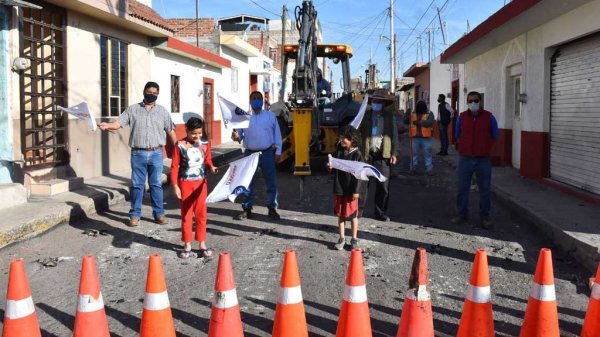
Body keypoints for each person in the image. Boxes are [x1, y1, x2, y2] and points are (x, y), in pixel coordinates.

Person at [99, 81, 177, 227]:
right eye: (149, 92)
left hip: (156, 153)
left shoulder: (162, 111)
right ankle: (135, 215)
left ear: (158, 95)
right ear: (144, 91)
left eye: (155, 93)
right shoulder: (132, 109)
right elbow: (118, 124)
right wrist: (107, 125)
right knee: (137, 185)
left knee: (156, 185)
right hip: (138, 154)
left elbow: (170, 130)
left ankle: (159, 214)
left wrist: (179, 149)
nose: (152, 95)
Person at [232, 91, 283, 221]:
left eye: (258, 98)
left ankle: (272, 208)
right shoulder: (244, 117)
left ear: (262, 101)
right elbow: (239, 136)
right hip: (250, 154)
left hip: (267, 153)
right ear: (250, 101)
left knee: (271, 182)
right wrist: (236, 136)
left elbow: (277, 135)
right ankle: (247, 209)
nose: (256, 100)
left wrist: (278, 152)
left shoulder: (270, 116)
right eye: (253, 98)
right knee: (248, 182)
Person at [451, 91, 499, 229]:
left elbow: (495, 134)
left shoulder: (489, 117)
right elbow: (457, 135)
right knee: (462, 188)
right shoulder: (462, 117)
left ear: (481, 101)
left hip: (483, 160)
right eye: (470, 101)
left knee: (485, 190)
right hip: (465, 159)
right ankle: (461, 214)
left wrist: (485, 147)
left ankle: (485, 217)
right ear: (467, 102)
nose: (473, 103)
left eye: (476, 100)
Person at [170, 117, 217, 259]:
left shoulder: (205, 143)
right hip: (185, 184)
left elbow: (208, 159)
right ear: (186, 130)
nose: (197, 136)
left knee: (202, 214)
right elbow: (174, 166)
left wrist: (211, 166)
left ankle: (202, 243)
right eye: (193, 134)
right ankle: (187, 244)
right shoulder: (180, 145)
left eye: (199, 133)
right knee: (187, 215)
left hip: (201, 184)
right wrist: (175, 185)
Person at [358, 89, 399, 221]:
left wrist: (394, 153)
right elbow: (356, 132)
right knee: (362, 186)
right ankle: (358, 211)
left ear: (383, 103)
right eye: (375, 101)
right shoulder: (364, 115)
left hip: (383, 156)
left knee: (383, 187)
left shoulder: (389, 117)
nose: (376, 103)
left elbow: (394, 136)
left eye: (379, 101)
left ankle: (380, 213)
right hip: (366, 155)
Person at [329, 125, 363, 250]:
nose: (342, 140)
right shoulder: (338, 152)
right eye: (341, 138)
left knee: (353, 215)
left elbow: (359, 174)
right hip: (340, 188)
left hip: (351, 190)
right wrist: (330, 167)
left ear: (352, 139)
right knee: (341, 215)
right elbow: (333, 169)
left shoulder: (357, 154)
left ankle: (354, 239)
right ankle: (342, 238)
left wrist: (356, 191)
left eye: (345, 138)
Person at [405, 100, 435, 175]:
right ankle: (413, 168)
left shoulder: (429, 113)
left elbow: (430, 122)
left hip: (426, 138)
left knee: (427, 154)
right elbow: (405, 121)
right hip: (415, 137)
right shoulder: (412, 113)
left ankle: (429, 169)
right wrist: (406, 114)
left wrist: (419, 123)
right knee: (414, 154)